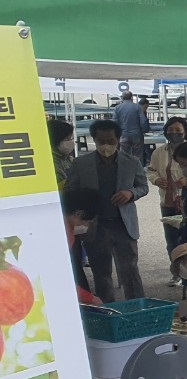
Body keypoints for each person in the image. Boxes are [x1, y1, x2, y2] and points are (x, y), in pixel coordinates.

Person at [65, 119, 148, 302]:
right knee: (101, 272)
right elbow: (71, 190)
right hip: (95, 226)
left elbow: (143, 186)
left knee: (130, 270)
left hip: (123, 224)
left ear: (118, 139)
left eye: (111, 141)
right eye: (101, 141)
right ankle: (107, 309)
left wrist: (131, 193)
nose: (106, 145)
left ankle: (137, 307)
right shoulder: (81, 163)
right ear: (94, 140)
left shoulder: (132, 162)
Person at [148, 117, 187, 285]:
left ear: (185, 132)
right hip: (167, 201)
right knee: (171, 240)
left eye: (178, 130)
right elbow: (151, 171)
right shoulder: (159, 152)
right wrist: (156, 179)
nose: (174, 133)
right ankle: (177, 272)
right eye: (170, 130)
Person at [60, 188, 102, 305]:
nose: (87, 227)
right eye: (88, 222)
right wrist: (90, 298)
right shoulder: (64, 234)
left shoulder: (62, 226)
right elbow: (60, 278)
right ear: (79, 214)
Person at [112, 91, 148, 160]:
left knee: (124, 155)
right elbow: (143, 121)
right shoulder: (137, 107)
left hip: (123, 134)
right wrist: (145, 130)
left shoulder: (117, 108)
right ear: (131, 97)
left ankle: (126, 166)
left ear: (122, 98)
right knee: (138, 156)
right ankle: (137, 167)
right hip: (136, 134)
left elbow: (115, 123)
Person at [48, 120, 75, 188]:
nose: (71, 142)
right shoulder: (51, 162)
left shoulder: (68, 158)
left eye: (72, 138)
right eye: (67, 139)